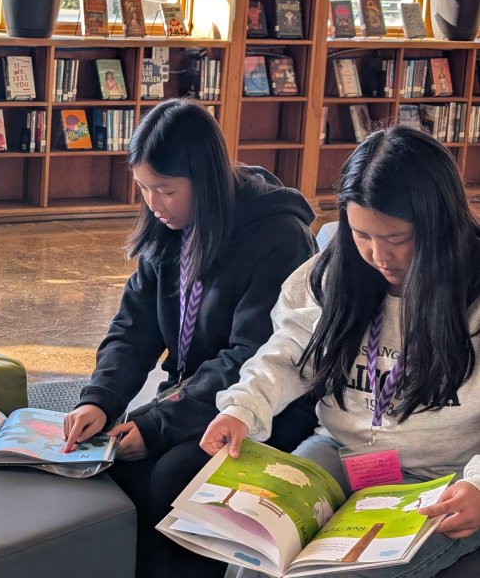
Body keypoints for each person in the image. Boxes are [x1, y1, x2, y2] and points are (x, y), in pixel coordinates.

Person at [201, 125, 480, 578]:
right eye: (361, 235)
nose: (377, 254)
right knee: (253, 556)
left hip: (445, 480)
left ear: (438, 224)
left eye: (396, 238)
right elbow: (289, 351)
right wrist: (242, 409)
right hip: (341, 452)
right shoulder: (334, 274)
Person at [62, 99, 319, 578]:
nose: (154, 204)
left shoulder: (278, 236)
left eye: (166, 190)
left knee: (175, 476)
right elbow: (131, 329)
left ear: (206, 180)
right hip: (193, 397)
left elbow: (252, 356)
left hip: (264, 406)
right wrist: (99, 398)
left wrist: (159, 425)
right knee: (110, 465)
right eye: (143, 188)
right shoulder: (168, 231)